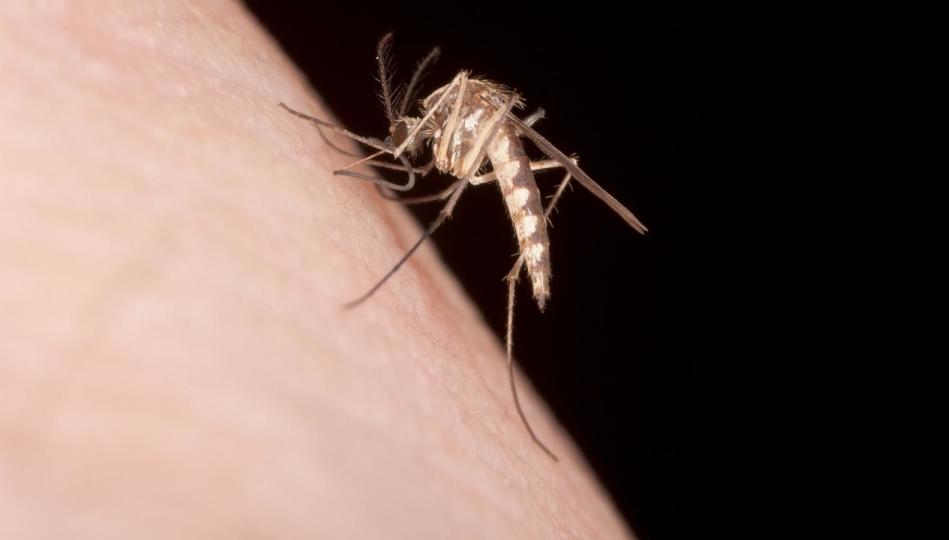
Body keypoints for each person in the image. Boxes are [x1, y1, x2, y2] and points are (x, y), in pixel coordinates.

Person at [0, 2, 633, 537]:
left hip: (493, 143)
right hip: (482, 134)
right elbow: (433, 141)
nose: (406, 140)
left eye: (408, 131)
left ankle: (510, 285)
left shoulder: (462, 116)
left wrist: (456, 192)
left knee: (486, 178)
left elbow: (483, 139)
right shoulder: (441, 117)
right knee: (485, 160)